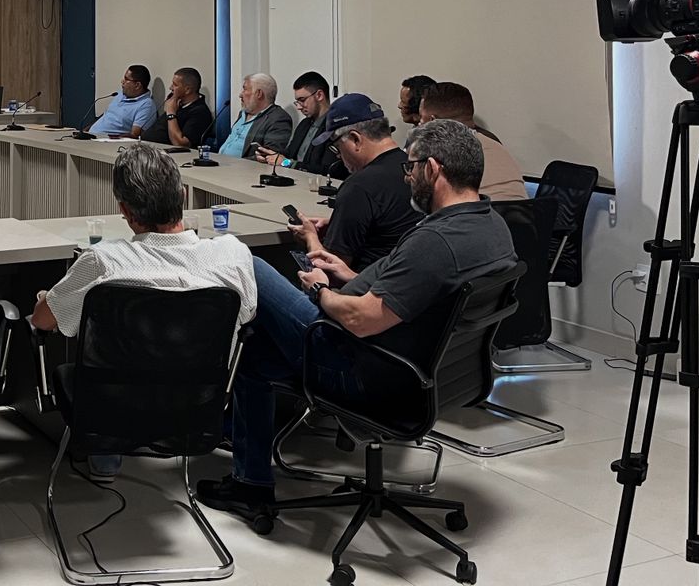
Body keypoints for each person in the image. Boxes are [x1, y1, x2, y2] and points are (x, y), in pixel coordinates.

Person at [196, 119, 516, 520]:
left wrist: (320, 290)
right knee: (258, 349)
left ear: (433, 169)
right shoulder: (491, 226)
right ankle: (250, 482)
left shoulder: (435, 242)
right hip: (430, 374)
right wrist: (347, 276)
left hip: (366, 371)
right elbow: (411, 293)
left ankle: (206, 421)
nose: (407, 177)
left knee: (247, 263)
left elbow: (362, 320)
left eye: (411, 167)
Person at [33, 144, 257, 482]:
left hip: (112, 406)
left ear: (125, 210)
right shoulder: (233, 255)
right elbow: (247, 315)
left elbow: (43, 320)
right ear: (183, 195)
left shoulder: (104, 261)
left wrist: (45, 297)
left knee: (101, 360)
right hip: (197, 402)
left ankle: (106, 456)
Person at [290, 93, 419, 271]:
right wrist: (337, 224)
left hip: (360, 284)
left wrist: (310, 237)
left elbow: (332, 271)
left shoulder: (359, 187)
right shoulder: (416, 170)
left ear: (355, 139)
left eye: (337, 147)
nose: (338, 156)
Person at [418, 82, 528, 201]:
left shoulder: (442, 153)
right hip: (524, 210)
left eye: (421, 119)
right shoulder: (495, 144)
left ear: (433, 121)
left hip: (474, 212)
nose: (419, 125)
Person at [254, 71, 336, 172]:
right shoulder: (304, 124)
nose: (299, 107)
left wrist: (287, 163)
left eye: (302, 100)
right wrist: (270, 156)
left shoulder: (335, 126)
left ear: (319, 95)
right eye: (297, 102)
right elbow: (289, 154)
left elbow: (330, 170)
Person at [218, 73, 293, 159]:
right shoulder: (243, 113)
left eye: (245, 89)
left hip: (241, 166)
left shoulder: (278, 119)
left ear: (259, 94)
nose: (240, 95)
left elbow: (268, 156)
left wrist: (236, 163)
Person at [140, 66, 215, 148]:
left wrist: (171, 114)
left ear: (187, 90)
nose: (170, 88)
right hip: (145, 146)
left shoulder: (200, 112)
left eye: (175, 85)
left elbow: (181, 144)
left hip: (164, 153)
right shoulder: (176, 103)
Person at [89, 64, 157, 137]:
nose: (122, 81)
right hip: (91, 136)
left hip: (107, 141)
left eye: (126, 79)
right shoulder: (120, 94)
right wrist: (85, 131)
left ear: (137, 85)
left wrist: (111, 139)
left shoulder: (146, 105)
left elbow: (134, 135)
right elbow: (106, 116)